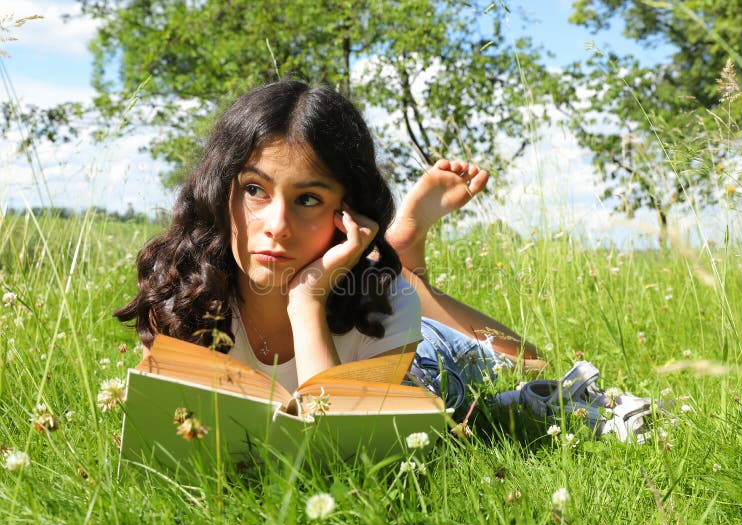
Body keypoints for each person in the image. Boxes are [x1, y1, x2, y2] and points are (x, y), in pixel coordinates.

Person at [114, 81, 542, 409]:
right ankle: (401, 257)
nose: (277, 226)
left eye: (308, 199)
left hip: (416, 357)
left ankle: (404, 261)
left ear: (348, 212)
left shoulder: (387, 305)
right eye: (254, 190)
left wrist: (307, 300)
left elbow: (334, 447)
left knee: (532, 367)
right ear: (217, 191)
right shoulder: (183, 292)